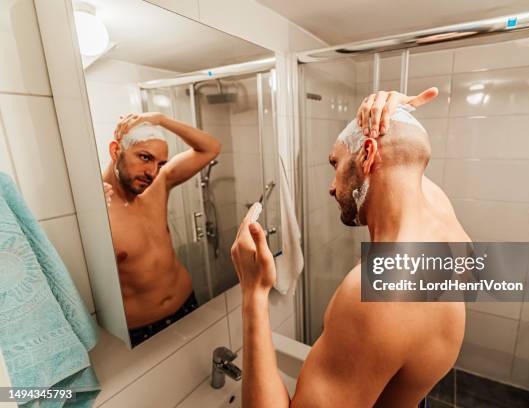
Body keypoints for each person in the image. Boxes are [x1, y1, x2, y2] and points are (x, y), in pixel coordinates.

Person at [230, 89, 469, 407]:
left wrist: (254, 293)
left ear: (368, 155)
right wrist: (390, 110)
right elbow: (406, 155)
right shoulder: (441, 212)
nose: (331, 186)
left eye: (335, 163)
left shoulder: (373, 294)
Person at [102, 112, 220, 346]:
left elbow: (211, 148)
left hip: (187, 303)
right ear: (116, 151)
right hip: (143, 328)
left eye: (160, 163)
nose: (152, 172)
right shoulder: (95, 209)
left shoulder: (159, 184)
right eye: (145, 157)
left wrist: (160, 119)